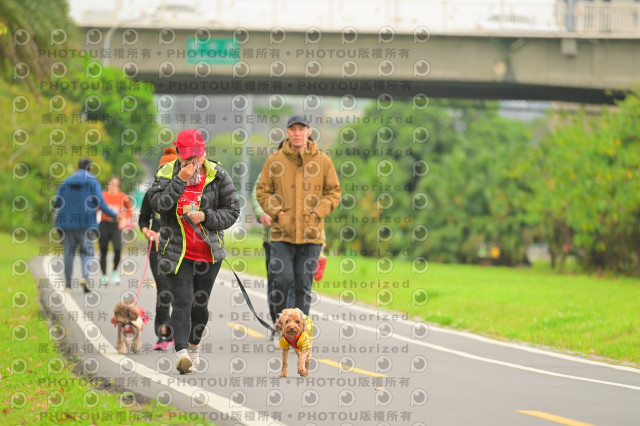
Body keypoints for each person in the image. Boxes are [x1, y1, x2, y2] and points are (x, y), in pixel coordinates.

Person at [148, 129, 240, 374]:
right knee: (182, 301)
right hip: (177, 251)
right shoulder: (166, 173)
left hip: (208, 253)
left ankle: (193, 347)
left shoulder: (219, 176)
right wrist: (180, 180)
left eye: (197, 157)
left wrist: (205, 216)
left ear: (204, 153)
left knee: (200, 305)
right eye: (187, 157)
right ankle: (181, 353)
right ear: (179, 153)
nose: (193, 162)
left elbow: (232, 212)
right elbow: (158, 205)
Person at [256, 114, 341, 320]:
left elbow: (334, 192)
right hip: (281, 234)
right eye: (293, 129)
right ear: (287, 132)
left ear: (308, 132)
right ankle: (280, 322)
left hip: (311, 235)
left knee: (303, 285)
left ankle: (301, 331)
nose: (297, 133)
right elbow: (262, 191)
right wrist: (278, 212)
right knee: (282, 280)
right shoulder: (275, 160)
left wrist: (317, 212)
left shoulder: (323, 161)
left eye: (301, 129)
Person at [54, 158, 119, 293]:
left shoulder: (66, 182)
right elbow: (101, 204)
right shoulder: (92, 182)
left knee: (69, 253)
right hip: (86, 224)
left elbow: (57, 203)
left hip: (67, 224)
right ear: (90, 169)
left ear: (77, 168)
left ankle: (68, 284)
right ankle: (85, 276)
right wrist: (114, 215)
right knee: (87, 252)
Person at [139, 147, 178, 351]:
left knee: (180, 292)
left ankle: (179, 332)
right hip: (156, 248)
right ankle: (163, 333)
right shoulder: (151, 193)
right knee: (164, 290)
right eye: (164, 169)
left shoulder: (184, 193)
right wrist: (147, 231)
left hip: (179, 248)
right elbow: (143, 219)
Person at [99, 176, 132, 285]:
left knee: (118, 249)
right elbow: (95, 208)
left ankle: (114, 271)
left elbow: (129, 211)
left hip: (116, 225)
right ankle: (104, 275)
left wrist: (125, 220)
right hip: (104, 224)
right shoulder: (103, 195)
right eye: (112, 184)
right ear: (108, 185)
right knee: (103, 250)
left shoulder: (122, 196)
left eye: (116, 185)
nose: (114, 187)